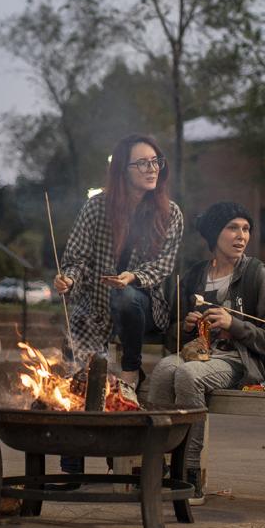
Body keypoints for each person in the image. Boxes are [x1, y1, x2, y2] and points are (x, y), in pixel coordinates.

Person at [145, 202, 265, 503]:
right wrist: (185, 326)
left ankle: (189, 471)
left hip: (240, 361)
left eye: (246, 228)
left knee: (187, 374)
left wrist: (234, 324)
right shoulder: (195, 276)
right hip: (200, 355)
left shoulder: (257, 275)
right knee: (163, 370)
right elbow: (172, 337)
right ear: (214, 234)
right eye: (232, 228)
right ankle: (156, 465)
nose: (241, 236)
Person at [54, 133, 184, 389]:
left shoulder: (170, 213)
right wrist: (68, 279)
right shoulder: (96, 207)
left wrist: (133, 277)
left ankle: (131, 369)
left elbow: (163, 264)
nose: (152, 168)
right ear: (122, 170)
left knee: (126, 296)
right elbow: (77, 259)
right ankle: (84, 382)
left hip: (141, 305)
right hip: (97, 300)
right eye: (142, 163)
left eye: (156, 161)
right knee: (77, 337)